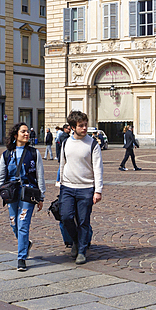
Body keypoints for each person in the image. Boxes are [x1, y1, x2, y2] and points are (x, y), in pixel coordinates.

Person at [0, 122, 46, 271]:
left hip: (28, 193)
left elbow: (39, 175)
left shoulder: (34, 153)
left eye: (27, 131)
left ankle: (21, 258)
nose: (26, 134)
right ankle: (26, 244)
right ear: (15, 135)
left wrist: (41, 196)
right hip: (12, 193)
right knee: (13, 223)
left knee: (23, 224)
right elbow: (0, 175)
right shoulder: (7, 154)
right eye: (23, 132)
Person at [58, 110, 103, 265]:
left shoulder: (93, 144)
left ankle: (82, 251)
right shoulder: (66, 143)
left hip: (86, 188)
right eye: (81, 126)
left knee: (83, 221)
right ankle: (76, 241)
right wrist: (61, 183)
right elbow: (62, 164)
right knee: (66, 217)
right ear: (72, 127)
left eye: (85, 125)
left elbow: (98, 168)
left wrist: (98, 190)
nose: (84, 128)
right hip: (67, 187)